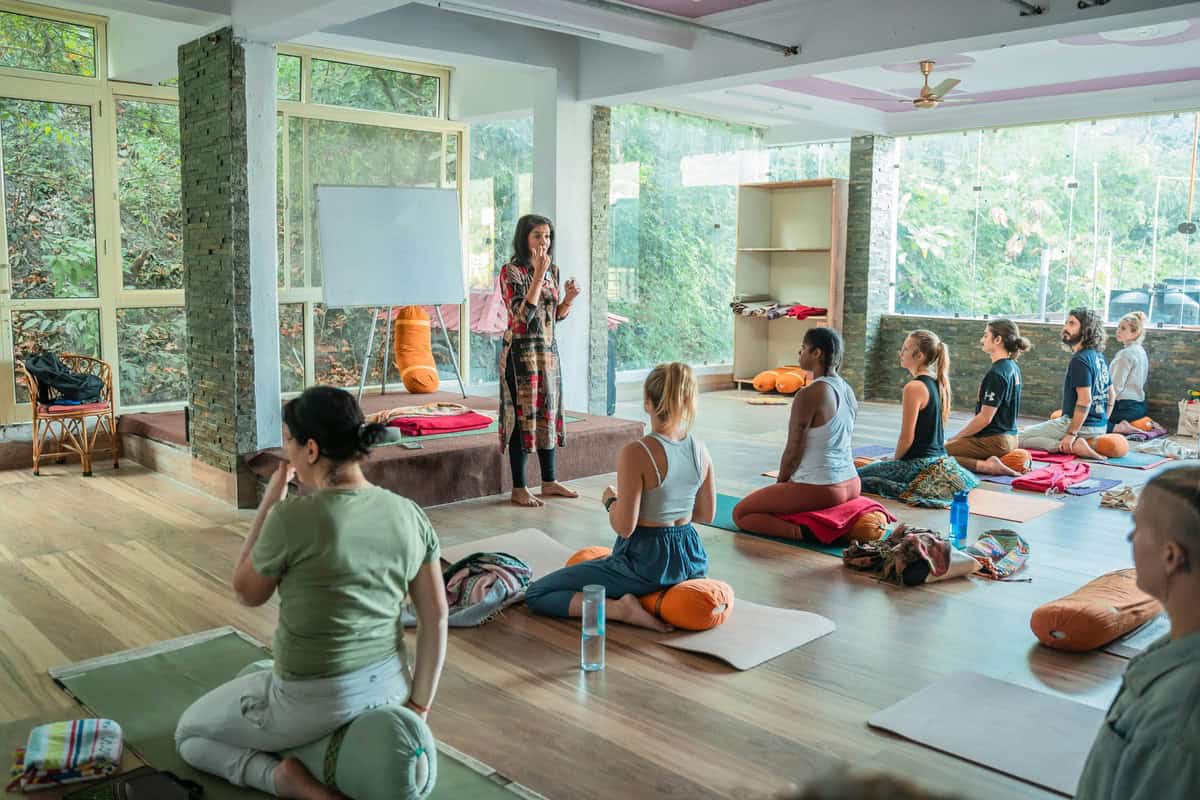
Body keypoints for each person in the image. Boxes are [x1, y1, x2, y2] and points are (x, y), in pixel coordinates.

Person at [175, 387, 449, 800]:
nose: (287, 451)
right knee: (254, 676)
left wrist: (269, 502)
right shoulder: (408, 512)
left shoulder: (293, 518)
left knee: (189, 735)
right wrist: (419, 707)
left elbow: (246, 591)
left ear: (312, 450)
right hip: (391, 689)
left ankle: (283, 781)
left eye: (289, 441)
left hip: (314, 699)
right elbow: (436, 618)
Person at [524, 363, 715, 632]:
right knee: (596, 563)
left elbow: (625, 527)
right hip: (691, 559)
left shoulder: (638, 452)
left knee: (537, 593)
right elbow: (706, 515)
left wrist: (611, 501)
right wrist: (671, 506)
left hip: (646, 563)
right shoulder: (701, 450)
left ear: (647, 402)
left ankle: (621, 609)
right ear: (687, 401)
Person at [1075, 465, 1200, 800]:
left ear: (1171, 555)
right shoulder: (1174, 646)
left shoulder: (1179, 722)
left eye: (1138, 528)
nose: (1131, 539)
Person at [732, 327, 860, 540]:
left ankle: (804, 533)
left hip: (823, 488)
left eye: (803, 349)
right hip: (852, 482)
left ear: (817, 353)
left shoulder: (810, 393)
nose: (799, 354)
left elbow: (794, 449)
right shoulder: (847, 389)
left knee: (742, 513)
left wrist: (781, 484)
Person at [498, 214, 582, 508]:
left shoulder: (553, 271)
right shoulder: (512, 271)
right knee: (522, 419)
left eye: (547, 237)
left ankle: (549, 480)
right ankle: (519, 487)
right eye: (537, 236)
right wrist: (536, 276)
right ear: (524, 239)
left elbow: (553, 315)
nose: (543, 242)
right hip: (521, 355)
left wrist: (568, 300)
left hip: (547, 353)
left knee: (549, 413)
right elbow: (522, 317)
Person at [857, 330, 979, 507]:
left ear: (919, 355)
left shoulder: (914, 387)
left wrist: (894, 462)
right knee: (866, 467)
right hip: (939, 459)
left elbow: (907, 438)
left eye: (905, 349)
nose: (901, 353)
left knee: (853, 477)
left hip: (919, 465)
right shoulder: (936, 382)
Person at [1018, 308, 1114, 459]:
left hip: (1075, 425)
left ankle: (1073, 446)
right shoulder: (1099, 357)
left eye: (1072, 324)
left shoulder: (1080, 359)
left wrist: (1071, 434)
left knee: (1018, 438)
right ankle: (1076, 442)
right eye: (1066, 323)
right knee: (1034, 432)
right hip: (1100, 427)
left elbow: (1085, 400)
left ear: (1086, 329)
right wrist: (1103, 422)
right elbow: (1112, 395)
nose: (1065, 328)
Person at [946, 319, 1030, 475]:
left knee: (935, 454)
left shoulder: (997, 373)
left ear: (998, 340)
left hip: (995, 441)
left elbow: (985, 419)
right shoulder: (1013, 366)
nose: (981, 340)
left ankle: (988, 466)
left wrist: (956, 438)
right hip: (1011, 438)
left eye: (985, 336)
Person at [1107, 310, 1149, 431]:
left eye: (1123, 328)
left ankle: (1119, 428)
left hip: (1124, 408)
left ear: (1135, 332)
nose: (1118, 331)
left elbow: (1115, 387)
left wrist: (1102, 408)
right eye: (1118, 327)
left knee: (1087, 421)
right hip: (1139, 407)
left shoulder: (1125, 354)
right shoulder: (1140, 351)